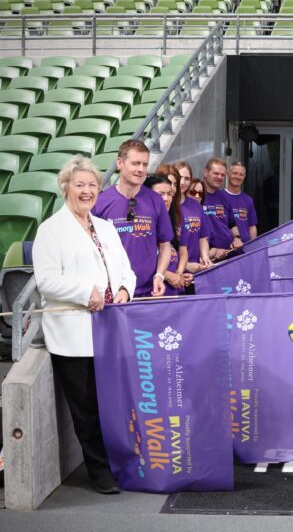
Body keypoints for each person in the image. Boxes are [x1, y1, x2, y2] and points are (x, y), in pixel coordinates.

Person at [33, 155, 136, 494]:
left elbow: (126, 270)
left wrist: (124, 289)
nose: (88, 191)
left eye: (93, 185)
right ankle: (99, 471)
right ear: (66, 188)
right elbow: (47, 281)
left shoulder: (105, 227)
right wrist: (84, 292)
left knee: (113, 403)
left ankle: (122, 462)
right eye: (80, 185)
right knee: (87, 408)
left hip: (110, 330)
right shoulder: (50, 230)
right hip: (72, 334)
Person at [92, 140, 172, 298]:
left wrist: (160, 275)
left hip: (149, 293)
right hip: (114, 294)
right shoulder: (100, 202)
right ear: (120, 163)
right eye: (135, 163)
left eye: (144, 164)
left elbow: (165, 246)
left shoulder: (155, 200)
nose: (141, 169)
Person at [144, 174, 192, 296]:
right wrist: (167, 275)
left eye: (169, 194)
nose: (165, 198)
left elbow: (181, 251)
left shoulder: (174, 219)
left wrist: (179, 275)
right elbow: (137, 260)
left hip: (174, 292)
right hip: (151, 291)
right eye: (160, 194)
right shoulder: (142, 221)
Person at [165, 161, 212, 274]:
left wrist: (205, 257)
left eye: (187, 178)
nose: (182, 182)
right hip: (172, 269)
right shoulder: (166, 204)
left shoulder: (196, 205)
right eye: (179, 177)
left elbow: (203, 237)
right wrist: (185, 265)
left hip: (195, 268)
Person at [201, 158, 243, 261]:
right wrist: (213, 251)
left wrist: (237, 238)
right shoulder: (196, 195)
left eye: (222, 175)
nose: (219, 177)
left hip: (230, 253)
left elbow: (232, 223)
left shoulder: (225, 196)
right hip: (210, 258)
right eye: (216, 173)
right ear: (206, 172)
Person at [223, 161, 258, 241]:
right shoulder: (220, 197)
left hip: (244, 248)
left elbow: (252, 227)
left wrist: (253, 247)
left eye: (241, 174)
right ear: (228, 174)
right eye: (235, 173)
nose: (238, 177)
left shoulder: (248, 200)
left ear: (244, 176)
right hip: (225, 249)